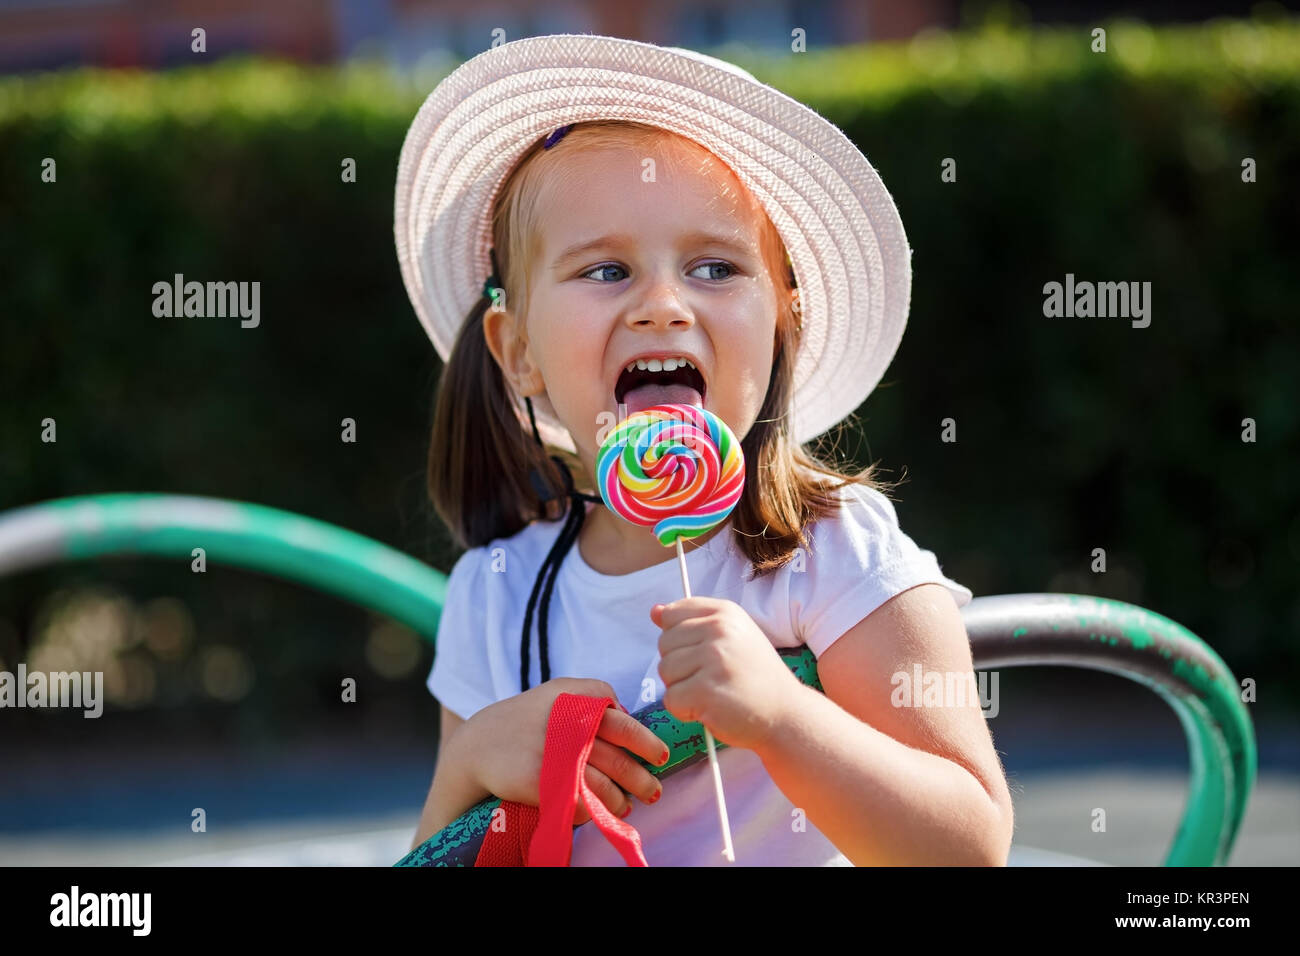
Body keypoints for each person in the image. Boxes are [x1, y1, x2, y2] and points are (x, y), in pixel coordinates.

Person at [394, 34, 1014, 865]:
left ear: (781, 321)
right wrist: (474, 760)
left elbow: (969, 846)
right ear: (517, 351)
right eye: (606, 270)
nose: (662, 305)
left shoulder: (834, 553)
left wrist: (783, 717)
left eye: (716, 268)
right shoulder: (494, 599)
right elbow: (439, 855)